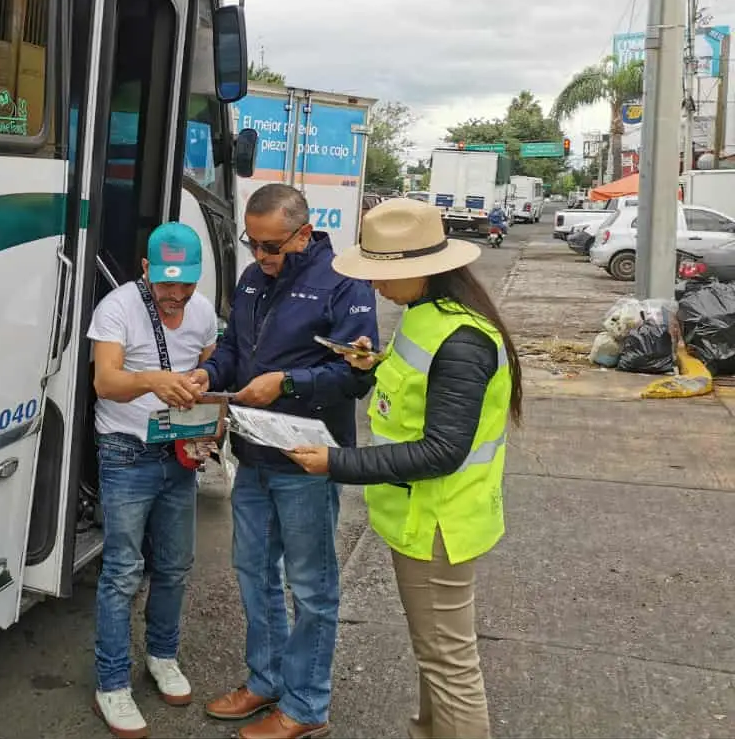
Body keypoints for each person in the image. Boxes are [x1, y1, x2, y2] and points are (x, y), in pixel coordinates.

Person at [285, 197, 523, 739]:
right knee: (435, 656)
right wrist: (372, 363)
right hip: (416, 518)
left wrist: (335, 463)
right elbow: (415, 392)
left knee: (450, 667)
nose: (375, 289)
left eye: (384, 276)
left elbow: (442, 449)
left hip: (439, 524)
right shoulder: (425, 317)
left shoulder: (463, 341)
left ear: (424, 270)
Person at [193, 184, 379, 739]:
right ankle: (266, 680)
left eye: (272, 246)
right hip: (252, 455)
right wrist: (211, 374)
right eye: (253, 244)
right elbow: (234, 348)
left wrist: (288, 383)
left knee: (312, 586)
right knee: (254, 573)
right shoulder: (253, 279)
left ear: (304, 232)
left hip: (306, 460)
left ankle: (305, 706)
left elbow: (358, 375)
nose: (261, 258)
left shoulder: (345, 282)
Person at [87, 221, 218, 739]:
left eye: (184, 283)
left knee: (175, 566)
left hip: (180, 454)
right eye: (165, 283)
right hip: (126, 452)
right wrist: (153, 380)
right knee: (122, 570)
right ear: (145, 270)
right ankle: (111, 684)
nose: (175, 294)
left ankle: (162, 656)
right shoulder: (117, 308)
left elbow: (213, 373)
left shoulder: (204, 311)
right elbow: (106, 381)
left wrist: (213, 427)